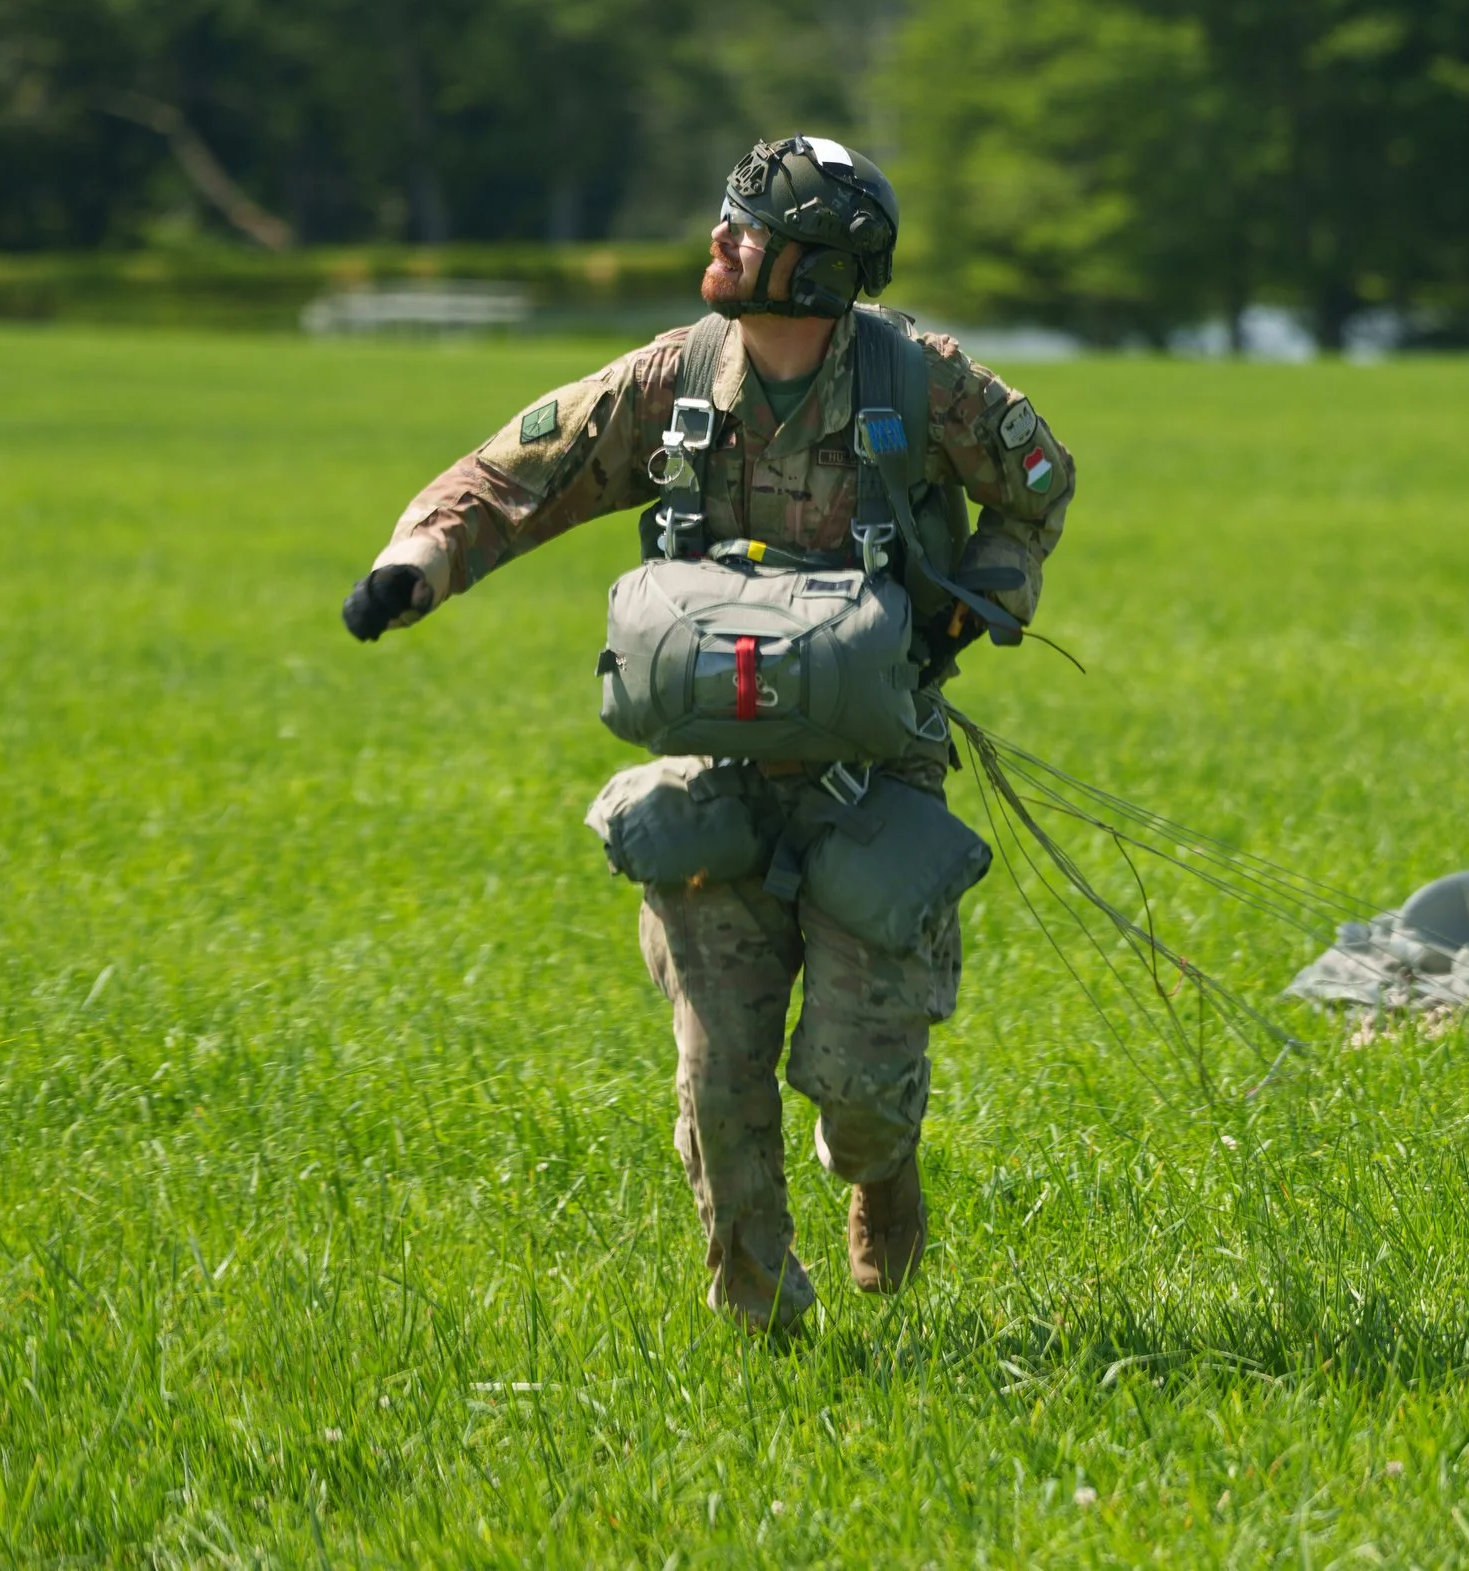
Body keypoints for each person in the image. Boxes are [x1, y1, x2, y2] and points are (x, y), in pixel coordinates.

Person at [339, 135, 1075, 1332]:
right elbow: (519, 472)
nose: (720, 241)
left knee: (859, 1092)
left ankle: (881, 1172)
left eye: (746, 228)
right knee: (718, 1071)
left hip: (875, 769)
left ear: (815, 271)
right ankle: (763, 1336)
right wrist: (411, 566)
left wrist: (981, 591)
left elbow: (1040, 482)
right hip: (712, 766)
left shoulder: (921, 384)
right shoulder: (672, 383)